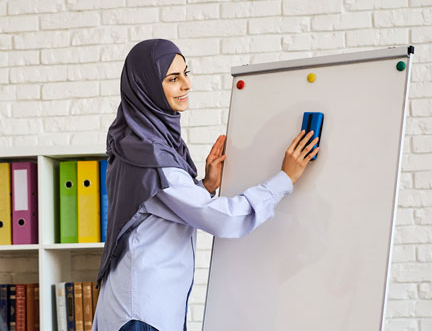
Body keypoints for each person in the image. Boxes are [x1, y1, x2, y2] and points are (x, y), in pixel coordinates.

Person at [92, 39, 319, 331]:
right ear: (145, 87)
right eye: (173, 78)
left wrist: (206, 185)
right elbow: (224, 219)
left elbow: (159, 207)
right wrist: (284, 179)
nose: (186, 85)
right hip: (143, 313)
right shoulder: (150, 156)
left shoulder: (138, 141)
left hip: (143, 306)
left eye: (186, 73)